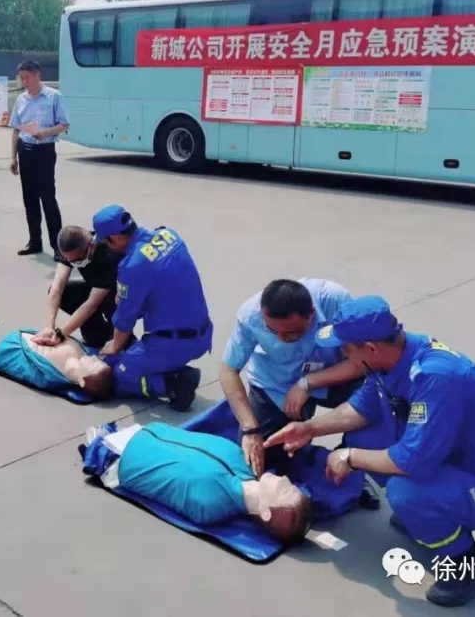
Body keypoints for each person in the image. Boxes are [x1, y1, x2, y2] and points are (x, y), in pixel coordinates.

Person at [266, 296, 475, 608]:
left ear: (370, 348)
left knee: (405, 491)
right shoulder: (392, 360)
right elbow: (361, 409)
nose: (342, 355)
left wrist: (350, 457)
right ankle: (432, 517)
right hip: (462, 461)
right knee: (365, 436)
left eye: (346, 349)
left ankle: (465, 564)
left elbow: (410, 461)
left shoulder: (435, 375)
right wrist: (309, 429)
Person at [220, 278, 367, 478]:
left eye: (291, 333)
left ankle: (350, 462)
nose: (281, 339)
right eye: (272, 331)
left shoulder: (335, 301)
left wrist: (307, 383)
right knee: (256, 461)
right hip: (276, 385)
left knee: (375, 413)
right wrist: (250, 429)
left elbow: (364, 361)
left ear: (311, 314)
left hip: (336, 376)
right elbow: (228, 370)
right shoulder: (250, 316)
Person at [85, 423, 313, 543]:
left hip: (118, 455)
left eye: (284, 490)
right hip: (146, 432)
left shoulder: (210, 505)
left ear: (265, 512)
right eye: (290, 484)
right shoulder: (245, 463)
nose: (285, 479)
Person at [93, 205, 208, 411]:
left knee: (120, 373)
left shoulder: (132, 266)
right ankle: (167, 369)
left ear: (115, 237)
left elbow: (125, 318)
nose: (107, 248)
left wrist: (114, 347)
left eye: (105, 242)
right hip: (202, 333)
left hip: (175, 343)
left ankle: (174, 384)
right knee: (131, 356)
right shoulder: (169, 235)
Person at [10, 59, 69, 259]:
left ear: (37, 75)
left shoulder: (53, 96)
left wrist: (45, 133)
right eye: (22, 78)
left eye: (27, 77)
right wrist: (13, 157)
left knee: (48, 198)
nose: (24, 82)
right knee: (29, 199)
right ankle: (34, 241)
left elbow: (64, 124)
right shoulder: (21, 99)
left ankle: (58, 247)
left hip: (44, 151)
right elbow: (16, 130)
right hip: (25, 151)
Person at [33, 224, 122, 350]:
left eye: (77, 260)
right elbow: (57, 287)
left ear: (91, 246)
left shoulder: (107, 254)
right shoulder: (69, 249)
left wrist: (60, 334)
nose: (73, 263)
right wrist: (49, 326)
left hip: (118, 292)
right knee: (63, 293)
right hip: (94, 287)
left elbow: (92, 304)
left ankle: (122, 338)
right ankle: (99, 334)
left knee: (112, 306)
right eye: (69, 260)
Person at [0, 331, 115, 400]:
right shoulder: (85, 353)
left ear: (82, 381)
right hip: (29, 337)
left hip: (15, 345)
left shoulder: (52, 376)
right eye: (98, 360)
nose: (94, 358)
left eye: (93, 363)